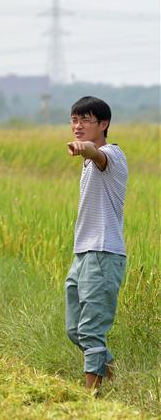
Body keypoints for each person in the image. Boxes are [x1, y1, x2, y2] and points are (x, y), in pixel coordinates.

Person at [64, 96, 127, 393]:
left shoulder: (111, 155)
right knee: (75, 330)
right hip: (84, 254)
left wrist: (83, 148)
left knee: (90, 331)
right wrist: (83, 150)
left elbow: (95, 152)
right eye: (74, 120)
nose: (77, 126)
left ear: (104, 124)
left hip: (103, 253)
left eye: (85, 120)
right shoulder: (89, 163)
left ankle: (91, 399)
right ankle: (118, 377)